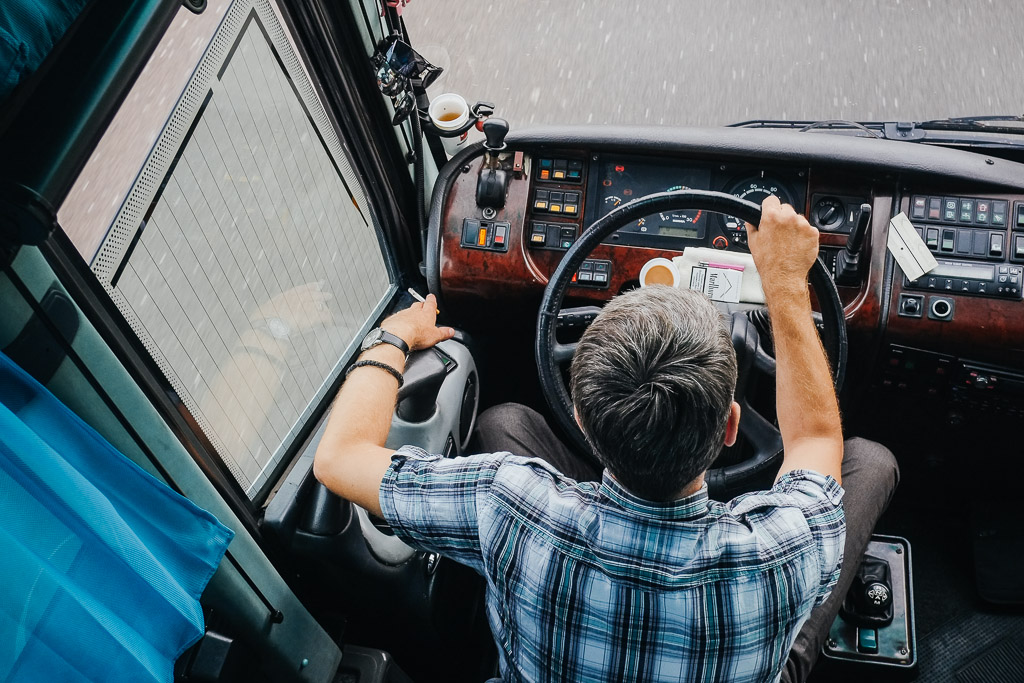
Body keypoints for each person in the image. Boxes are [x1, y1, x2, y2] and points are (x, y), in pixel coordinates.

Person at [313, 196, 899, 682]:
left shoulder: (507, 504)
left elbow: (339, 458)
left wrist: (391, 338)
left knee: (503, 422)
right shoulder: (779, 555)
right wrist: (785, 283)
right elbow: (816, 436)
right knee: (870, 460)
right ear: (730, 426)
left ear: (581, 415)